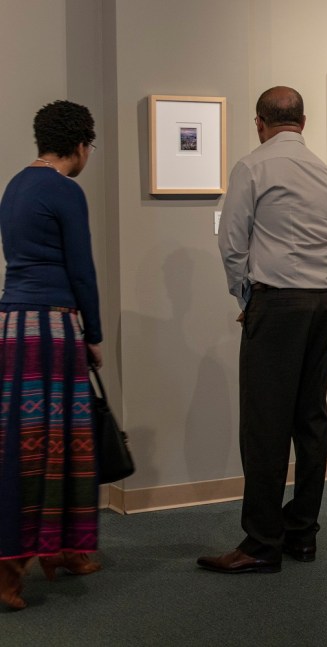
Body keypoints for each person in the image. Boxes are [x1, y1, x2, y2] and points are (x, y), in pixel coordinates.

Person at [198, 86, 327, 574]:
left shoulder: (253, 166)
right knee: (310, 420)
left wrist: (246, 297)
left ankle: (261, 543)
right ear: (303, 122)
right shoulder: (326, 172)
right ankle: (302, 533)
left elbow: (231, 244)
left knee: (265, 426)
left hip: (277, 304)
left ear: (260, 122)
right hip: (323, 304)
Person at [0, 100, 103, 610]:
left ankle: (63, 549)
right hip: (53, 326)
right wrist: (95, 333)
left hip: (12, 326)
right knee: (55, 446)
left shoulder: (15, 185)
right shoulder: (66, 190)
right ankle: (11, 569)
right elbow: (82, 269)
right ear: (81, 144)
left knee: (24, 442)